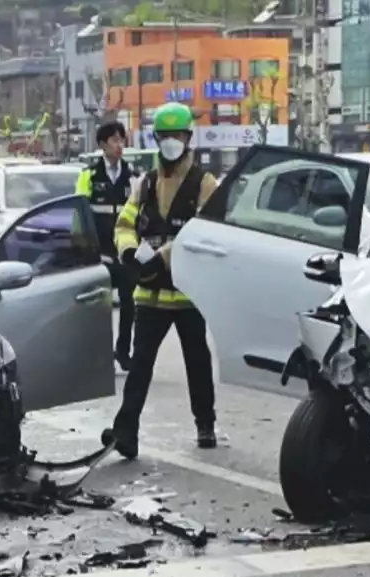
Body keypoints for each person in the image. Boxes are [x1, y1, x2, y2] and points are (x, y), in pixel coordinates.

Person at [102, 102, 218, 459]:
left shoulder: (204, 183)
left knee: (197, 362)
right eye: (165, 136)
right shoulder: (146, 183)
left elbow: (202, 232)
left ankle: (205, 424)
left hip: (187, 295)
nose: (171, 142)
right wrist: (128, 250)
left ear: (188, 138)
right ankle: (126, 433)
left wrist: (161, 255)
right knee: (139, 368)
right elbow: (125, 223)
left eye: (177, 136)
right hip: (149, 294)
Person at [76, 121, 137, 372]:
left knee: (129, 304)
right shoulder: (88, 175)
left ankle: (123, 352)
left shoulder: (131, 176)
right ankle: (98, 355)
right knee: (98, 307)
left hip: (124, 251)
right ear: (102, 145)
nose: (119, 145)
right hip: (99, 251)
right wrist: (85, 248)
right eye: (114, 140)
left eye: (122, 140)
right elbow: (79, 214)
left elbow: (138, 212)